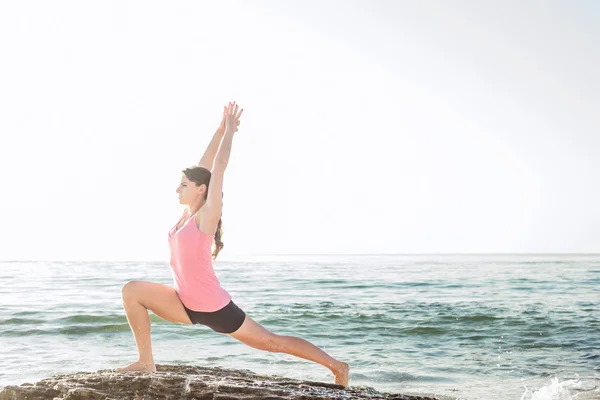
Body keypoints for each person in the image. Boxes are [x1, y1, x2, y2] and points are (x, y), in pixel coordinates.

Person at [115, 102, 350, 387]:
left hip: (214, 307)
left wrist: (230, 133)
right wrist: (219, 127)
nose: (178, 189)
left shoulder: (206, 215)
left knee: (272, 343)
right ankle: (145, 362)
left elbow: (218, 166)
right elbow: (204, 164)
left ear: (201, 189)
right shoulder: (186, 214)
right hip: (183, 303)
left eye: (183, 185)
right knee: (132, 291)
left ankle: (337, 366)